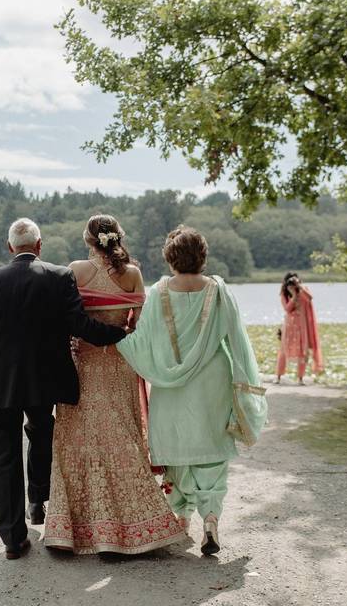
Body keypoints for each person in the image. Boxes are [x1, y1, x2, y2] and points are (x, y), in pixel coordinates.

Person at [0, 218, 126, 560]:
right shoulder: (58, 276)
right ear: (39, 246)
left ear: (10, 248)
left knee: (3, 456)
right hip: (44, 380)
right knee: (41, 434)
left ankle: (13, 539)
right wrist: (119, 334)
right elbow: (79, 325)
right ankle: (37, 501)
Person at [44, 214, 187, 554]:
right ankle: (135, 525)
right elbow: (136, 326)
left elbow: (67, 318)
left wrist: (75, 340)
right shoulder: (133, 274)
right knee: (123, 437)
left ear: (88, 239)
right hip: (119, 363)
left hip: (84, 366)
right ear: (117, 237)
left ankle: (74, 529)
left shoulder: (75, 270)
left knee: (76, 441)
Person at [116, 226, 263, 556]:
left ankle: (179, 517)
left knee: (177, 451)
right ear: (203, 256)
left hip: (171, 386)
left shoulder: (158, 292)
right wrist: (244, 385)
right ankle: (210, 519)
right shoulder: (219, 291)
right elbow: (236, 340)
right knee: (211, 454)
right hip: (212, 382)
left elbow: (143, 340)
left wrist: (116, 337)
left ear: (170, 259)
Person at [275, 272, 323, 384]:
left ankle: (300, 378)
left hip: (302, 326)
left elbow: (310, 298)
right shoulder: (284, 293)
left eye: (294, 282)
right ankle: (278, 376)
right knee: (284, 350)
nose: (292, 284)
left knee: (303, 350)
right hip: (289, 326)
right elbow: (287, 309)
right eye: (290, 282)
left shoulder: (303, 290)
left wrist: (299, 287)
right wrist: (293, 295)